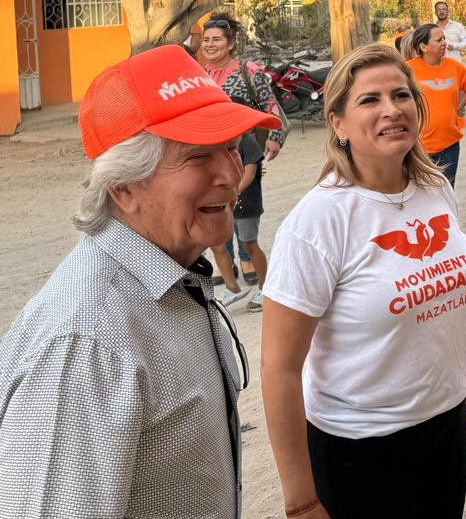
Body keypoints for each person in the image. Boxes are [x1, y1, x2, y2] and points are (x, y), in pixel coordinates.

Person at [0, 45, 279, 518]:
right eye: (197, 157)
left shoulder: (169, 278)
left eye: (232, 148)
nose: (231, 176)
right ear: (124, 188)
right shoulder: (87, 342)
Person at [260, 44, 466, 519]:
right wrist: (301, 501)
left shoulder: (435, 188)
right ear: (339, 123)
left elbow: (446, 316)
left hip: (444, 430)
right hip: (360, 451)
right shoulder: (319, 221)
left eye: (401, 95)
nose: (392, 109)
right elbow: (279, 368)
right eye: (370, 100)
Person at [202, 13, 287, 285]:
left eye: (216, 40)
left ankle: (247, 258)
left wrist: (275, 136)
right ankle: (226, 263)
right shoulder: (198, 76)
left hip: (242, 150)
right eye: (206, 40)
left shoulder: (248, 71)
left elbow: (270, 105)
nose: (210, 45)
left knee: (244, 203)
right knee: (212, 205)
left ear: (230, 44)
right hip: (207, 153)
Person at [210, 104, 271, 312]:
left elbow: (250, 172)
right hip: (225, 204)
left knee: (249, 244)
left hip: (246, 204)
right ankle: (232, 288)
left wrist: (233, 193)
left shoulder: (247, 141)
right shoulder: (220, 142)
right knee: (217, 245)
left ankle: (266, 288)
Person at [406, 22, 466, 187]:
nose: (444, 43)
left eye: (444, 38)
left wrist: (457, 107)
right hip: (418, 146)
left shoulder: (455, 67)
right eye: (439, 40)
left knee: (447, 190)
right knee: (422, 191)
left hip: (449, 143)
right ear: (423, 47)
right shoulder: (408, 70)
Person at [434, 1, 466, 66]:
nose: (441, 12)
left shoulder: (457, 26)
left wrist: (455, 46)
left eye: (444, 9)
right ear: (435, 12)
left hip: (455, 64)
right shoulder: (432, 28)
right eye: (439, 10)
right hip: (437, 65)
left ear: (448, 11)